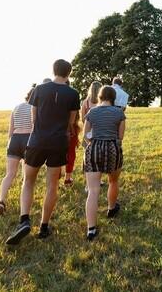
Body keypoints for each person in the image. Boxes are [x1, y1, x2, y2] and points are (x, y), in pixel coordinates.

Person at [6, 59, 80, 244]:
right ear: (69, 73)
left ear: (53, 70)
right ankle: (44, 226)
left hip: (37, 140)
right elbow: (71, 123)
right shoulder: (73, 94)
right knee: (52, 185)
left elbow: (33, 118)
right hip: (58, 143)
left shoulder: (39, 89)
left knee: (28, 181)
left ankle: (24, 220)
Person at [82, 85, 127, 240]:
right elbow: (120, 136)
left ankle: (91, 229)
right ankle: (111, 208)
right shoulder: (119, 113)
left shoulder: (91, 112)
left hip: (93, 149)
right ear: (113, 98)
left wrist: (93, 143)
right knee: (113, 181)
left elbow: (85, 135)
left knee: (93, 191)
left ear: (99, 97)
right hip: (113, 149)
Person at [0, 84, 35, 215]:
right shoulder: (35, 108)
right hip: (29, 139)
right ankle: (24, 202)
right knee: (27, 176)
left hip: (15, 139)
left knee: (9, 174)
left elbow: (10, 129)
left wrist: (9, 143)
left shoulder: (17, 107)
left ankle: (1, 201)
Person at [70, 81, 102, 186]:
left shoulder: (85, 102)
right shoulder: (101, 102)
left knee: (87, 155)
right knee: (99, 155)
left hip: (88, 132)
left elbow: (83, 119)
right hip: (99, 131)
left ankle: (87, 179)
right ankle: (98, 179)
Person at [64, 79, 82, 186]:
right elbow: (76, 116)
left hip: (57, 129)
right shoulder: (73, 95)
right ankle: (67, 178)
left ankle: (57, 177)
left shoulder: (54, 94)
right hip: (71, 129)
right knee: (71, 154)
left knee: (57, 154)